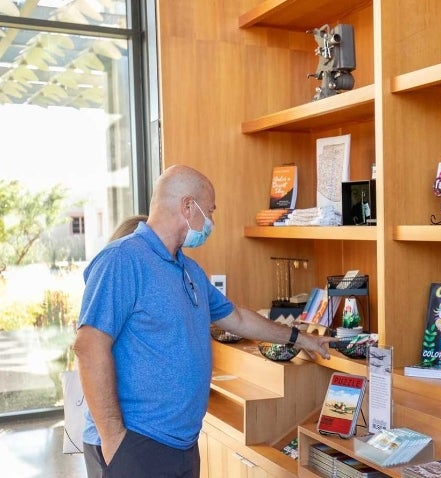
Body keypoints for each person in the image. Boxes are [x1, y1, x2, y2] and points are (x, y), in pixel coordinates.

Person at [73, 165, 336, 478]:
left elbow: (236, 318)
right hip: (137, 443)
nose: (211, 221)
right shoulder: (122, 259)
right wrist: (114, 438)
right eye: (209, 211)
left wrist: (301, 338)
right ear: (187, 206)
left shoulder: (189, 270)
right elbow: (89, 348)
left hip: (182, 444)